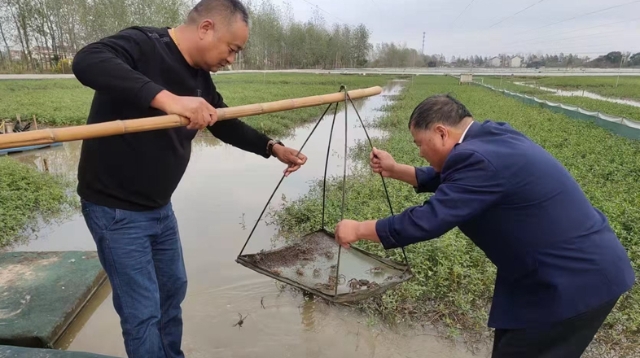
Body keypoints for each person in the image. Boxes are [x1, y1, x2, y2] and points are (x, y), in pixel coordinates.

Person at [71, 1, 307, 357]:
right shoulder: (143, 44)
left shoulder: (200, 77)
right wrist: (168, 101)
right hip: (116, 210)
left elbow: (222, 121)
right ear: (206, 28)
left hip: (158, 207)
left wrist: (272, 147)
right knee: (142, 311)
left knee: (172, 292)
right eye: (232, 49)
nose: (231, 59)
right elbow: (87, 61)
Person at [334, 94, 635, 358]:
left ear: (441, 133)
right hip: (564, 271)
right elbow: (454, 178)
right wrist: (396, 170)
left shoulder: (476, 158)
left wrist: (359, 229)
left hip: (571, 282)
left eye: (420, 144)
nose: (420, 152)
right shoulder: (491, 137)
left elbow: (429, 220)